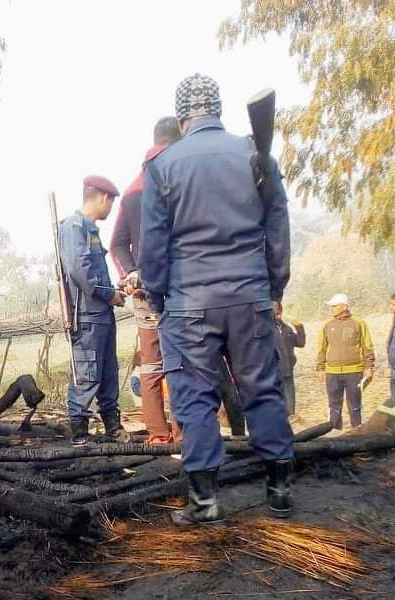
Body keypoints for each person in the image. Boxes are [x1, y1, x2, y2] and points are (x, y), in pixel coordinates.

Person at [139, 73, 294, 524]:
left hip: (190, 305)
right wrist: (274, 287)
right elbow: (277, 227)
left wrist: (159, 297)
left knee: (194, 398)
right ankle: (280, 491)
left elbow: (153, 246)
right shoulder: (254, 155)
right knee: (262, 390)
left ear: (183, 114)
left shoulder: (163, 166)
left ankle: (206, 503)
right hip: (250, 296)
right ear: (218, 109)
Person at [111, 116, 183, 444]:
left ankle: (158, 435)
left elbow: (116, 244)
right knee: (182, 359)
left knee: (152, 363)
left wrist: (131, 273)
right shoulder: (180, 176)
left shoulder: (132, 189)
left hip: (143, 290)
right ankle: (185, 432)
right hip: (179, 288)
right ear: (177, 140)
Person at [58, 175, 130, 446]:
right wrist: (108, 293)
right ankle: (79, 434)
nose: (111, 208)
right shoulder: (74, 227)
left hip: (101, 315)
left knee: (109, 372)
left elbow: (95, 272)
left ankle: (113, 427)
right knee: (86, 373)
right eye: (111, 202)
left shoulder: (89, 229)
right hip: (86, 316)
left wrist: (115, 290)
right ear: (103, 198)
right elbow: (80, 271)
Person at [316, 294, 375, 430]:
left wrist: (369, 367)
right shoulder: (327, 325)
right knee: (334, 405)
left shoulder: (359, 323)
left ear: (344, 306)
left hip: (354, 371)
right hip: (332, 372)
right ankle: (334, 432)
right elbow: (322, 348)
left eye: (334, 306)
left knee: (355, 405)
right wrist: (320, 367)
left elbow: (367, 346)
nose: (331, 308)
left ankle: (357, 431)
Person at [273, 302, 306, 418]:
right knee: (275, 400)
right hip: (272, 372)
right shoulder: (265, 330)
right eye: (273, 314)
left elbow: (300, 343)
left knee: (290, 402)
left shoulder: (287, 329)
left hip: (288, 370)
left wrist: (299, 327)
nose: (277, 317)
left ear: (281, 312)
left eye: (278, 313)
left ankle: (291, 417)